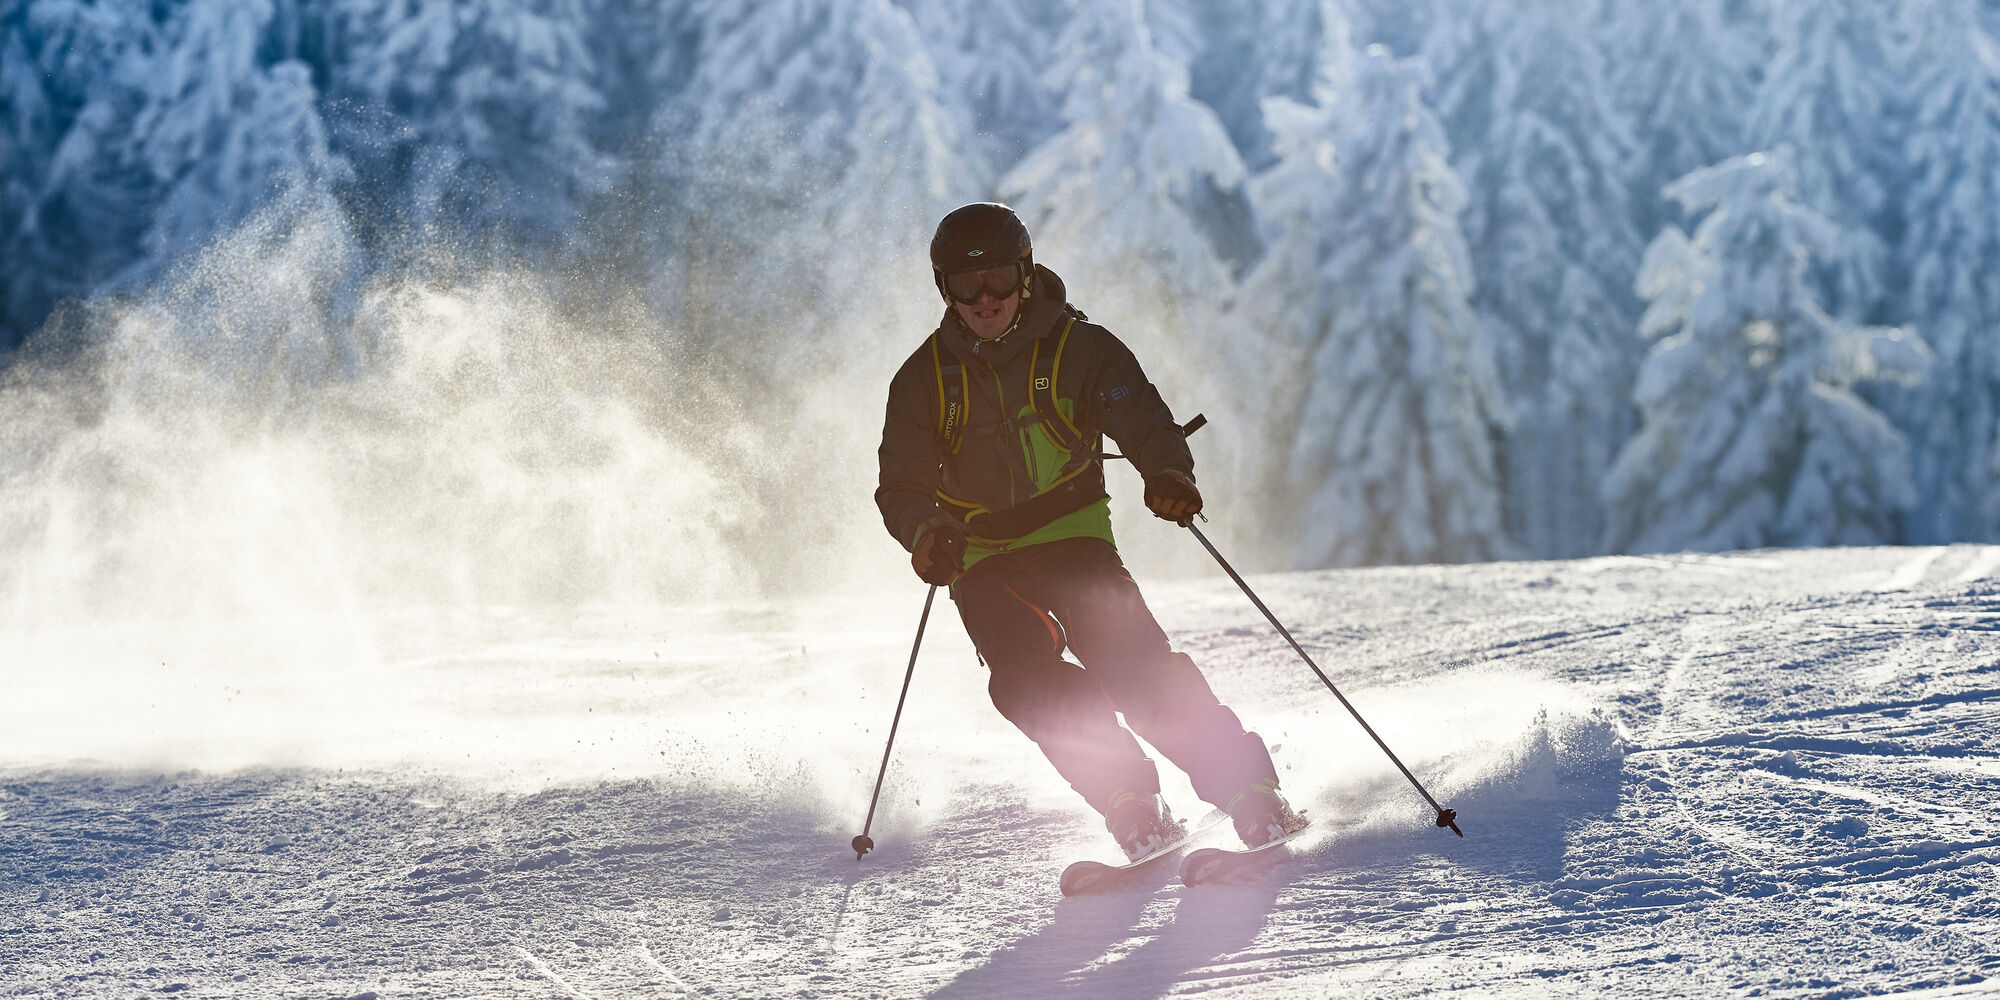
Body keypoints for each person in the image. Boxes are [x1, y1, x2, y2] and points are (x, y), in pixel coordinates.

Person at [875, 202, 1306, 859]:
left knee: (1132, 665)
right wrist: (928, 534)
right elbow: (901, 484)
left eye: (995, 278)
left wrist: (1167, 473)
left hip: (1072, 535)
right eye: (965, 286)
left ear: (1024, 274)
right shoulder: (925, 381)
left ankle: (1250, 792)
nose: (984, 299)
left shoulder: (1081, 350)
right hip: (983, 555)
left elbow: (1141, 420)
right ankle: (1131, 801)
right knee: (1022, 680)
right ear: (945, 290)